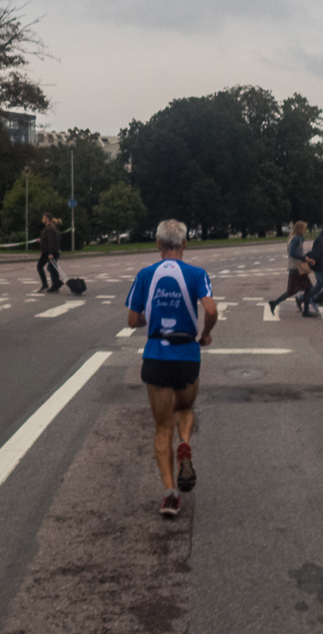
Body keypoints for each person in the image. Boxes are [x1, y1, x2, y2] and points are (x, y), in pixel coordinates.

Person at [126, 219, 218, 517]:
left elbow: (132, 319)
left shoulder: (145, 275)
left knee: (161, 426)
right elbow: (211, 309)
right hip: (187, 355)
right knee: (184, 409)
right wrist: (205, 334)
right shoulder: (197, 274)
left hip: (156, 355)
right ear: (185, 244)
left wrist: (147, 320)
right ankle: (185, 443)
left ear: (158, 244)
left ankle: (169, 495)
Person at [268, 221, 316, 317]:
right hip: (296, 268)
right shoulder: (296, 239)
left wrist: (306, 257)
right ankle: (275, 303)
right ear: (300, 229)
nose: (305, 230)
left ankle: (275, 303)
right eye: (304, 228)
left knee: (304, 289)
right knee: (300, 289)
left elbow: (297, 253)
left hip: (296, 268)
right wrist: (305, 258)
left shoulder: (296, 239)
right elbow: (292, 254)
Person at [305, 222, 323, 312]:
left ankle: (302, 298)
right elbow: (317, 254)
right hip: (320, 267)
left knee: (318, 287)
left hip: (321, 266)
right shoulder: (321, 239)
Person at [37, 213, 63, 292]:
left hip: (50, 252)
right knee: (52, 268)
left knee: (40, 266)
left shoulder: (49, 229)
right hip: (48, 251)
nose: (42, 219)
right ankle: (55, 284)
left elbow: (51, 242)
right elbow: (46, 241)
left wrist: (50, 253)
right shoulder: (48, 228)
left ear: (47, 219)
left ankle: (47, 284)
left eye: (43, 218)